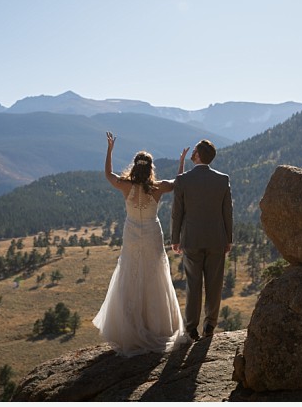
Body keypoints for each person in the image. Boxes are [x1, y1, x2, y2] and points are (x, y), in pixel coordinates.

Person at [92, 132, 190, 356]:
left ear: (135, 167)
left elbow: (108, 174)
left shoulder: (125, 186)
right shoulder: (159, 187)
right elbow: (179, 182)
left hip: (132, 235)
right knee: (155, 275)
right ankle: (158, 326)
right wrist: (181, 161)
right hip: (152, 234)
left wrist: (109, 149)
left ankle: (131, 328)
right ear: (151, 169)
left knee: (130, 273)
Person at [171, 139, 233, 341]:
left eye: (194, 150)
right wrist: (229, 238)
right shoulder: (222, 180)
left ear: (197, 155)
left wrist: (175, 238)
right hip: (217, 238)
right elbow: (227, 212)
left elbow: (177, 213)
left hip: (191, 239)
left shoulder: (183, 180)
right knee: (215, 285)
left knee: (193, 284)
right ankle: (210, 325)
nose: (192, 152)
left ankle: (191, 328)